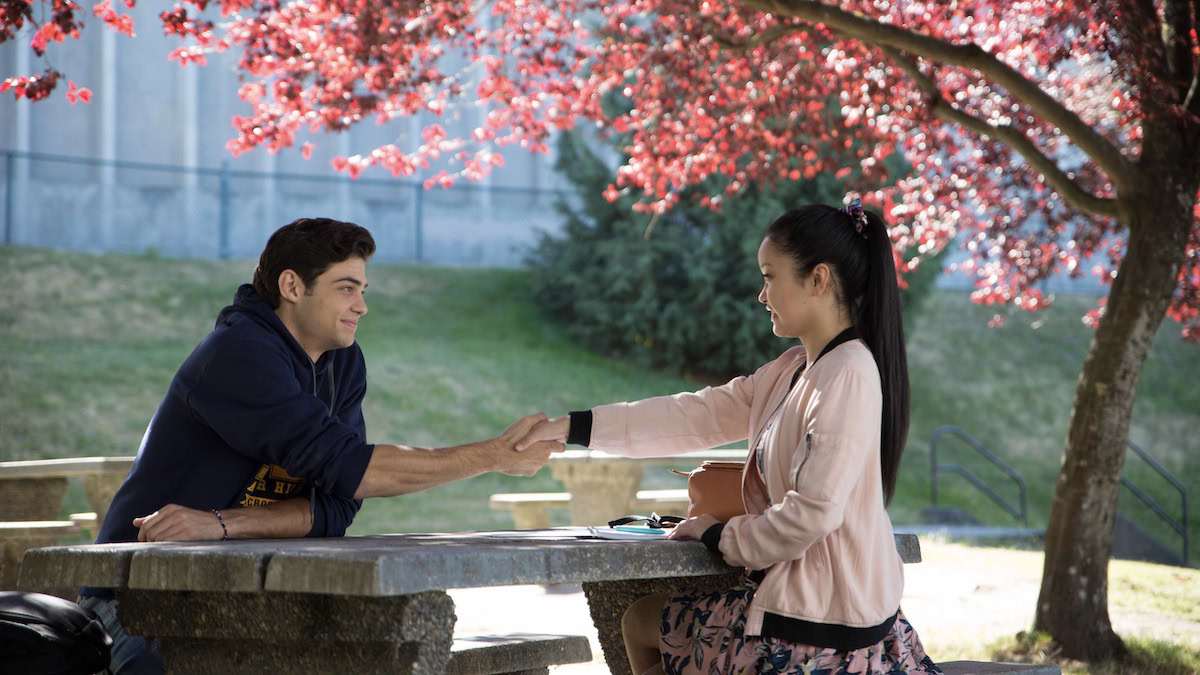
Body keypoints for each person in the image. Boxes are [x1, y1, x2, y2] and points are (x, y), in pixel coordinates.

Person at [80, 217, 560, 674]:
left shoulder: (343, 362)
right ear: (292, 287)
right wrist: (491, 456)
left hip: (250, 590)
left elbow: (338, 503)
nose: (361, 306)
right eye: (346, 288)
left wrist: (221, 524)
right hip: (139, 589)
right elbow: (353, 469)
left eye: (362, 290)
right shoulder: (237, 355)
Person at [516, 200, 942, 674]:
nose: (762, 295)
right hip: (813, 611)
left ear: (818, 280)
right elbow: (693, 415)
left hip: (821, 634)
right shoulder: (794, 370)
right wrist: (575, 427)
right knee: (641, 617)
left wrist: (721, 535)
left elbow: (811, 516)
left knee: (640, 620)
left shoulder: (847, 375)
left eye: (769, 276)